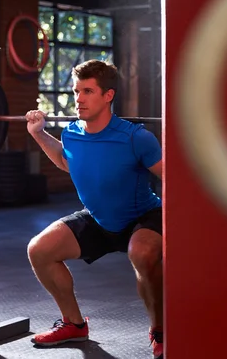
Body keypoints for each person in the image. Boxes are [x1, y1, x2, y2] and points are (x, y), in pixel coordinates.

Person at [25, 59, 163, 359]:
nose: (79, 99)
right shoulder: (72, 133)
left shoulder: (136, 137)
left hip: (142, 216)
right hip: (99, 218)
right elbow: (66, 161)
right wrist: (38, 133)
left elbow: (171, 178)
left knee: (142, 253)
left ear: (108, 95)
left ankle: (161, 331)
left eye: (88, 91)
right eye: (76, 91)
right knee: (39, 250)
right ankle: (74, 324)